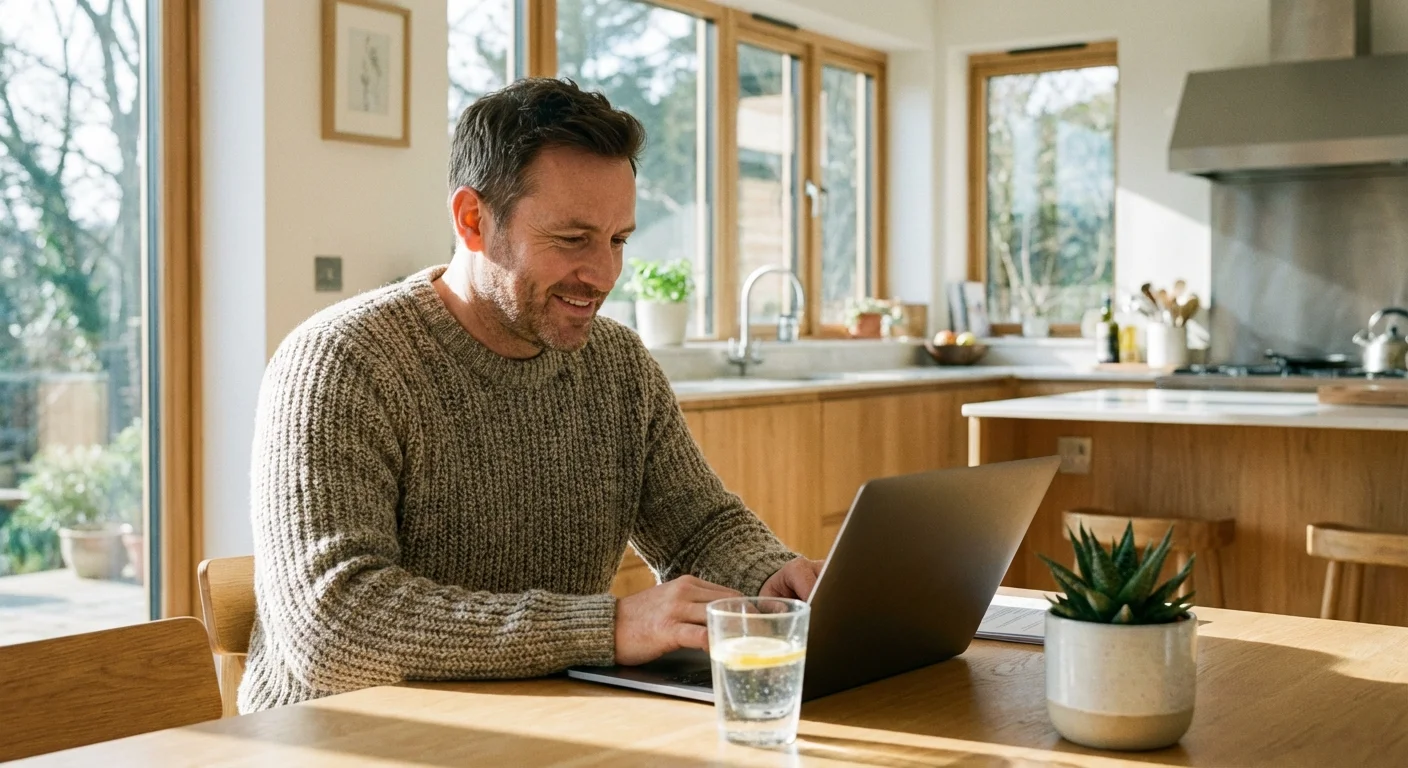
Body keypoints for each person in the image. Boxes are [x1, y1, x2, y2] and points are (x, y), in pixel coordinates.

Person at [239, 78, 823, 713]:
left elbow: (699, 526)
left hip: (544, 722)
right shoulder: (343, 362)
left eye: (618, 239)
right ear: (473, 220)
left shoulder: (619, 365)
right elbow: (332, 626)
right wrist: (607, 628)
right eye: (572, 240)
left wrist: (772, 575)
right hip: (340, 741)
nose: (603, 274)